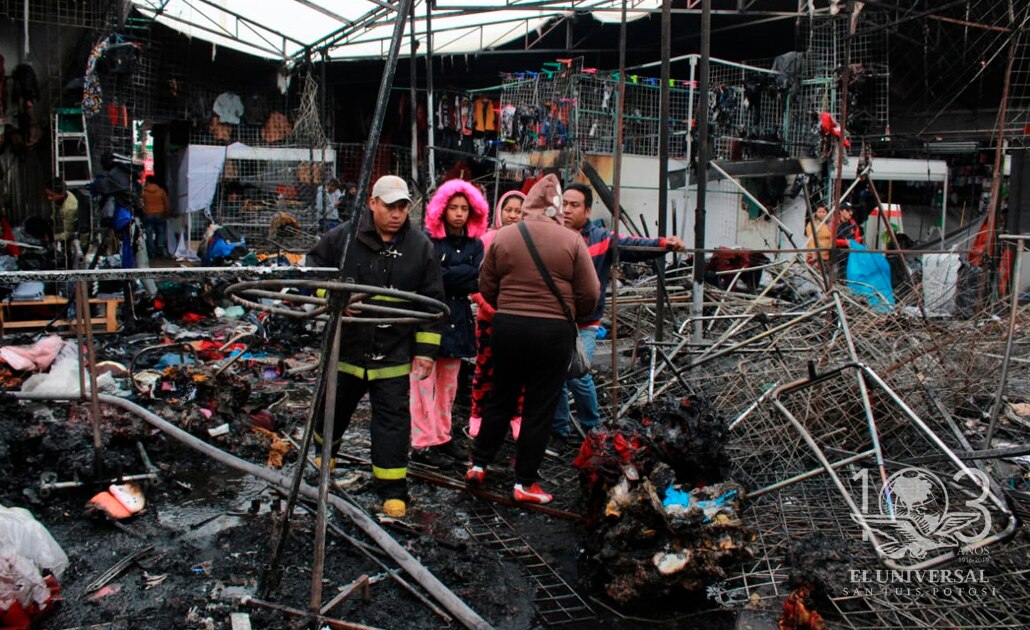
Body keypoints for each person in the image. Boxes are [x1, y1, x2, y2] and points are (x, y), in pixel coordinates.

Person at [305, 175, 445, 518]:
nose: (397, 214)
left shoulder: (420, 247)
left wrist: (425, 352)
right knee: (331, 412)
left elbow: (431, 302)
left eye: (402, 207)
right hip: (346, 350)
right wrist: (334, 296)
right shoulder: (343, 238)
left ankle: (393, 490)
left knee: (393, 424)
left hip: (393, 355)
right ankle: (325, 460)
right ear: (372, 203)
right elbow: (311, 271)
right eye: (389, 206)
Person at [467, 174, 600, 504]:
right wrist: (571, 312)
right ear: (556, 205)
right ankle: (525, 483)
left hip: (508, 327)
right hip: (552, 333)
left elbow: (486, 285)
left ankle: (478, 464)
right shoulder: (571, 241)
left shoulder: (504, 236)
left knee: (500, 398)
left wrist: (508, 308)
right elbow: (591, 293)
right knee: (539, 407)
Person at [553, 183, 685, 444]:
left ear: (587, 210)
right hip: (555, 319)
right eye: (563, 204)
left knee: (577, 373)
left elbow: (634, 245)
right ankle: (560, 430)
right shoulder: (552, 236)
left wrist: (664, 244)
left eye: (574, 205)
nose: (566, 210)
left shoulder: (602, 239)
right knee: (554, 374)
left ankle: (593, 427)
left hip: (585, 323)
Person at [409, 179, 488, 468]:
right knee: (421, 385)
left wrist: (449, 274)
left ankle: (442, 437)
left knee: (448, 387)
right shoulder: (427, 241)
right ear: (441, 209)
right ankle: (421, 443)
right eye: (453, 207)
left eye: (464, 208)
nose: (458, 213)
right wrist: (459, 274)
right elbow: (433, 278)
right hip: (429, 320)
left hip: (458, 321)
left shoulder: (475, 244)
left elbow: (476, 278)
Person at [468, 190, 526, 439]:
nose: (513, 215)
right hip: (489, 320)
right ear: (500, 211)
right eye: (508, 209)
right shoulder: (485, 241)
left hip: (519, 321)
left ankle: (517, 416)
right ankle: (477, 415)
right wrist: (493, 309)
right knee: (484, 369)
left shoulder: (529, 243)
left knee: (519, 371)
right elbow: (472, 283)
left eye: (519, 211)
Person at [141, 175, 171, 258]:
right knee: (160, 232)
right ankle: (160, 248)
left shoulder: (144, 192)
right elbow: (166, 203)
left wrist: (143, 212)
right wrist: (167, 213)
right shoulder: (161, 191)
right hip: (160, 214)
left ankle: (151, 252)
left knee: (149, 234)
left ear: (148, 182)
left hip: (148, 215)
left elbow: (141, 203)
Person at [835, 202, 862, 280]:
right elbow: (832, 240)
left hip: (851, 256)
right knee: (839, 276)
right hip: (838, 256)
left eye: (851, 210)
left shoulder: (853, 224)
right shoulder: (835, 223)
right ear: (841, 211)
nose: (850, 213)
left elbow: (858, 238)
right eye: (847, 210)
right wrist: (845, 242)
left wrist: (854, 243)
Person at [45, 177, 78, 243]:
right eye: (47, 194)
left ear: (62, 194)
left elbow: (69, 234)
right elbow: (54, 214)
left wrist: (52, 238)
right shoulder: (58, 199)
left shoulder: (70, 208)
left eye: (51, 195)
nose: (49, 198)